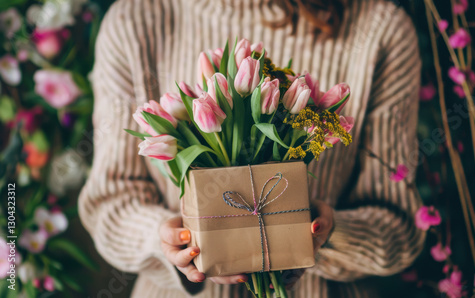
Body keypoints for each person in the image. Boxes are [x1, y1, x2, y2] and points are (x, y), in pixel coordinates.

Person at [78, 0, 425, 296]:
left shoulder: (380, 28)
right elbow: (110, 203)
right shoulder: (135, 22)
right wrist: (169, 241)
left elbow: (401, 230)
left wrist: (325, 236)